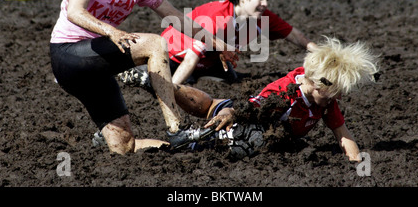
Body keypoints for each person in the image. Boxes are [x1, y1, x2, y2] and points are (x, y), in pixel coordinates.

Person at [49, 0, 238, 155]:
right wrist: (110, 31)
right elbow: (74, 11)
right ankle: (175, 130)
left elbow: (175, 18)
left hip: (97, 70)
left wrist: (216, 42)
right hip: (68, 56)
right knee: (155, 44)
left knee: (124, 148)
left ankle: (186, 144)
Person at [140, 37, 379, 161]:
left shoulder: (324, 100)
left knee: (215, 107)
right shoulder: (284, 92)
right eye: (333, 92)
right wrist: (229, 115)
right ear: (315, 82)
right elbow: (252, 107)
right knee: (209, 117)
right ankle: (162, 85)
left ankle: (163, 88)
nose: (335, 98)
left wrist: (356, 162)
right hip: (241, 124)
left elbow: (343, 135)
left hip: (254, 129)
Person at [120, 0, 317, 86]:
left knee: (231, 80)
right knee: (156, 82)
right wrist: (172, 91)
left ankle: (195, 77)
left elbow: (295, 36)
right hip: (175, 56)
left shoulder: (262, 16)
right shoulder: (218, 18)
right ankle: (142, 72)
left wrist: (324, 53)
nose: (265, 3)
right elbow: (191, 57)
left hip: (209, 60)